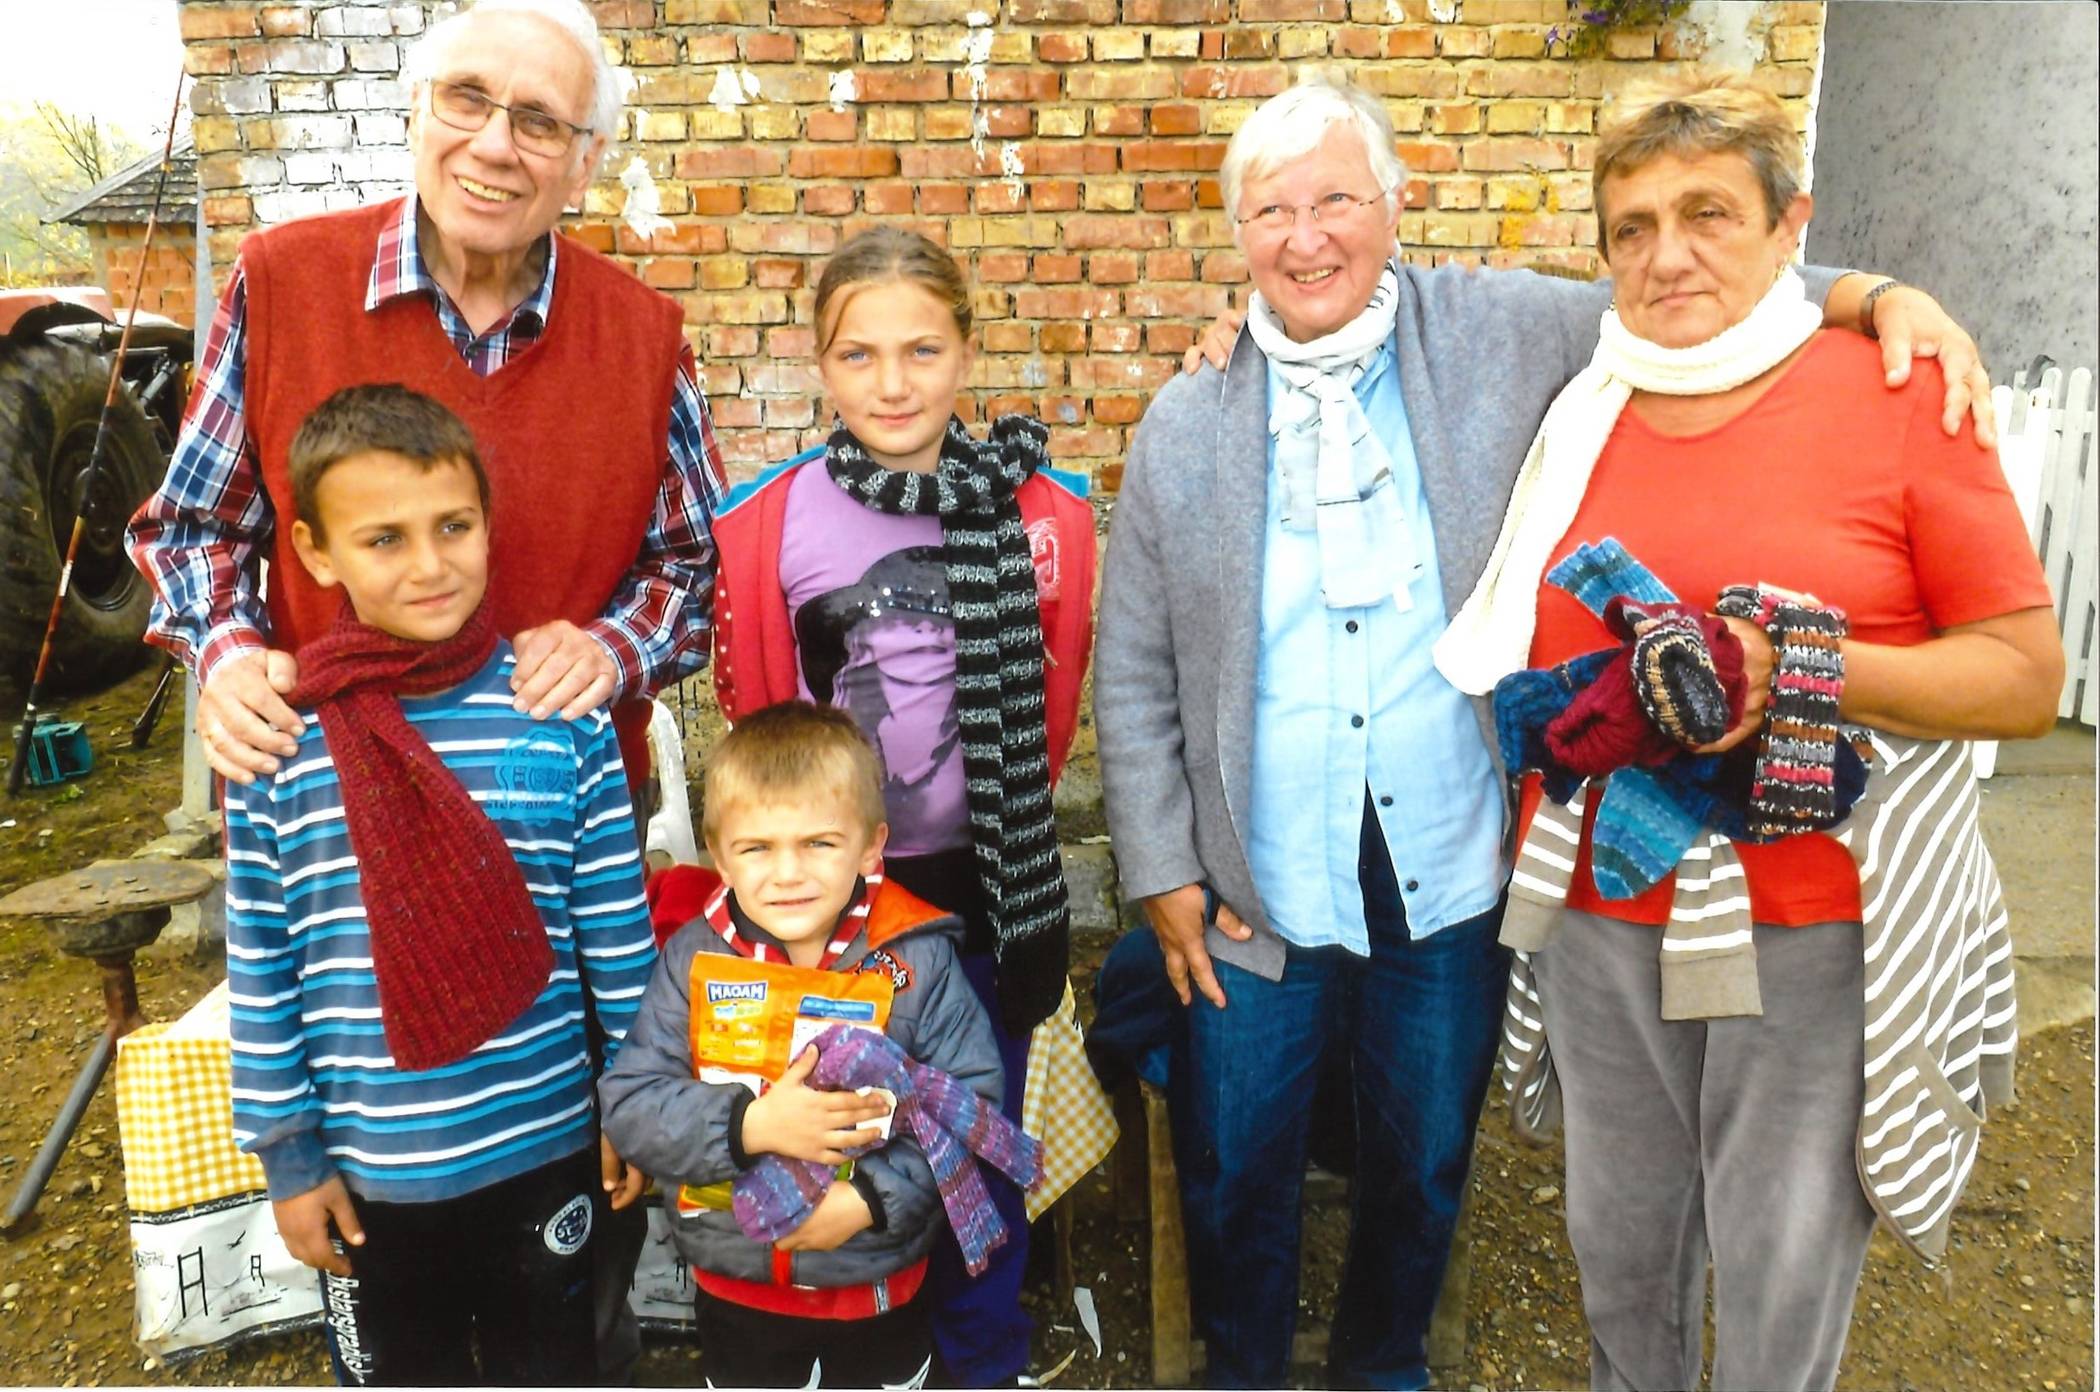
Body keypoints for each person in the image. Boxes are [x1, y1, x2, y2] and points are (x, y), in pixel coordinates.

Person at [1094, 69, 1997, 1391]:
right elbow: (1134, 666)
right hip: (1253, 888)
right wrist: (1161, 870)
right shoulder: (1187, 421)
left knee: (1421, 1160)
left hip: (1448, 864)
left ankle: (1382, 1366)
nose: (1307, 238)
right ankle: (1243, 1370)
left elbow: (1711, 289)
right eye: (1272, 211)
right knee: (1235, 1166)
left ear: (1396, 208)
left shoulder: (1500, 332)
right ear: (1238, 235)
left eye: (1338, 198)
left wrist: (1883, 297)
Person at [1432, 71, 2062, 1391]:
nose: (1668, 256)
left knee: (1780, 1266)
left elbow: (2019, 677)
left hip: (1810, 928)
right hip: (1605, 906)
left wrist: (1807, 671)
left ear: (1793, 229)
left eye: (1710, 215)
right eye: (1633, 227)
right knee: (1620, 1246)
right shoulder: (1587, 394)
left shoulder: (1898, 395)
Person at [124, 0, 720, 1372]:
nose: (496, 145)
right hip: (340, 839)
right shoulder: (283, 282)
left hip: (565, 844)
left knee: (568, 1268)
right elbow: (189, 531)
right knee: (402, 1297)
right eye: (466, 98)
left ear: (586, 157)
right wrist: (222, 653)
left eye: (542, 121)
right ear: (414, 109)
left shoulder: (641, 333)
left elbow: (692, 566)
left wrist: (616, 645)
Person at [708, 226, 1097, 1385]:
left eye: (922, 349)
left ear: (966, 352)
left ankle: (986, 1360)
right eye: (858, 354)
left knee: (974, 1141)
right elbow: (765, 719)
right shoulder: (768, 522)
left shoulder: (1046, 514)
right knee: (850, 1135)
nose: (892, 382)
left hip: (990, 891)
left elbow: (1055, 700)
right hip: (838, 904)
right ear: (821, 366)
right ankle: (879, 1354)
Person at [223, 385, 658, 1386]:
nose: (429, 565)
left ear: (488, 526)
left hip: (550, 1149)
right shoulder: (279, 743)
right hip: (372, 1174)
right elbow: (261, 962)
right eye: (384, 538)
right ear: (315, 551)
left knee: (553, 1367)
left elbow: (618, 940)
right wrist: (292, 1160)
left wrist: (636, 1102)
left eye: (454, 526)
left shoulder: (559, 713)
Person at [599, 701, 1018, 1390]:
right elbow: (634, 1104)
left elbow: (971, 1108)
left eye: (819, 843)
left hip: (877, 1282)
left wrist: (875, 1200)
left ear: (871, 845)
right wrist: (748, 1126)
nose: (788, 873)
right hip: (736, 1287)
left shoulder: (915, 963)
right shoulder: (693, 963)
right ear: (718, 853)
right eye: (757, 847)